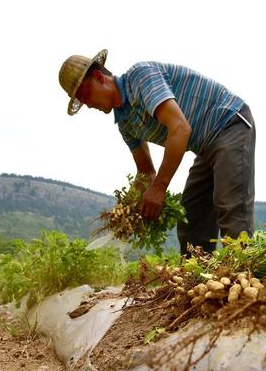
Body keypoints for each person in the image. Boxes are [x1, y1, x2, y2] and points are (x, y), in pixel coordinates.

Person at [58, 49, 255, 254]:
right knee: (192, 218)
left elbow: (180, 128)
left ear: (99, 78)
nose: (88, 106)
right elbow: (145, 172)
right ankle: (202, 281)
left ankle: (246, 274)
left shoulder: (141, 77)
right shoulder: (125, 123)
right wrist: (129, 209)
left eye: (85, 95)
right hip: (205, 147)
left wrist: (160, 187)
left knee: (230, 207)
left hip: (229, 124)